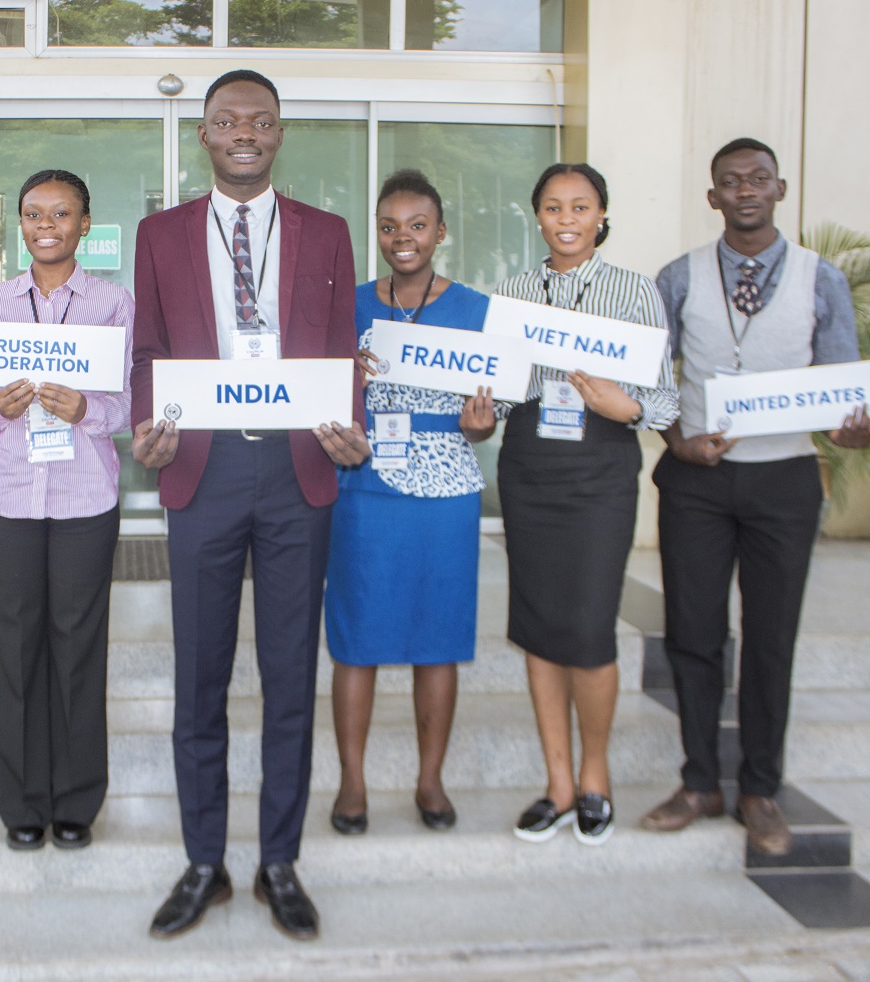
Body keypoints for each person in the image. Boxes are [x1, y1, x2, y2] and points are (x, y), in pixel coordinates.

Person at [131, 69, 368, 942]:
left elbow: (342, 350)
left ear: (278, 134)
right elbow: (147, 350)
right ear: (203, 134)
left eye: (260, 120)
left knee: (287, 677)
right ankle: (205, 862)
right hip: (203, 468)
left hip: (299, 469)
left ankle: (278, 861)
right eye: (227, 119)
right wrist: (148, 425)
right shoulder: (160, 234)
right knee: (199, 678)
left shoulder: (327, 232)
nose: (244, 132)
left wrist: (351, 424)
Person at [639, 138, 870, 856]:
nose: (745, 189)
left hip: (785, 478)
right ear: (712, 196)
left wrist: (854, 428)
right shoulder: (678, 276)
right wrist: (678, 440)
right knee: (693, 633)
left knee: (771, 636)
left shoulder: (821, 278)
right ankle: (700, 782)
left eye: (758, 179)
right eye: (731, 181)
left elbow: (841, 388)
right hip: (697, 480)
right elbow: (653, 380)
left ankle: (760, 789)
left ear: (780, 189)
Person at [496, 162, 678, 847]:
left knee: (591, 627)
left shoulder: (635, 290)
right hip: (529, 465)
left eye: (580, 206)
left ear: (601, 215)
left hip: (601, 467)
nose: (566, 218)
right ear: (537, 215)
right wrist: (482, 404)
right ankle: (559, 785)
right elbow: (503, 385)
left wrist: (625, 406)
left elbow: (663, 397)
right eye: (553, 206)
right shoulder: (514, 291)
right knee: (539, 624)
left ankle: (595, 776)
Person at [0, 170, 132, 852]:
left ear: (85, 224)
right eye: (33, 213)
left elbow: (130, 398)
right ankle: (23, 802)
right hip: (10, 492)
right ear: (21, 224)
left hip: (85, 495)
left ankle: (78, 800)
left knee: (79, 647)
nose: (46, 224)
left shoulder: (113, 302)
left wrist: (87, 408)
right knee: (18, 645)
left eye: (61, 213)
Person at [324, 170, 496, 837]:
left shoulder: (476, 310)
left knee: (437, 639)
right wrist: (344, 389)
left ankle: (430, 779)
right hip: (365, 488)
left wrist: (481, 425)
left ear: (440, 231)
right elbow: (322, 392)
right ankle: (352, 781)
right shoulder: (349, 306)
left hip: (445, 493)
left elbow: (489, 411)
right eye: (390, 226)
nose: (404, 237)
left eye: (418, 225)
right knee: (356, 641)